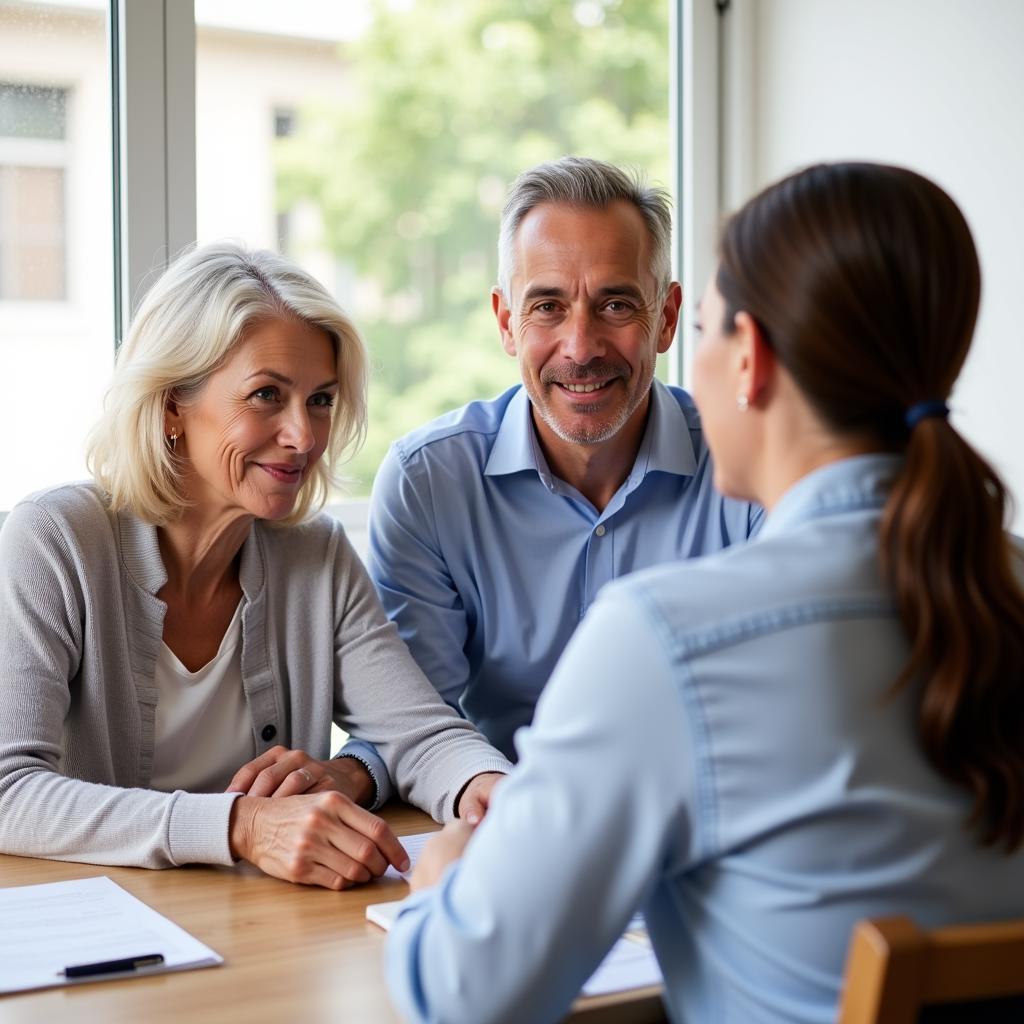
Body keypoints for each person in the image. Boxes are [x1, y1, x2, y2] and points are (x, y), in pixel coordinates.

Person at [384, 162, 1024, 1023]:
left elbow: (461, 997)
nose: (582, 343)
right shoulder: (995, 578)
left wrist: (442, 874)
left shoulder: (667, 639)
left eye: (709, 329)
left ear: (747, 358)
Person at [0, 242, 511, 889]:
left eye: (321, 400)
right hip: (95, 940)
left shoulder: (315, 554)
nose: (303, 435)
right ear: (171, 406)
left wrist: (491, 788)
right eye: (267, 395)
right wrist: (240, 825)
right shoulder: (55, 538)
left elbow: (421, 733)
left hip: (263, 936)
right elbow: (8, 791)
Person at [342, 157, 761, 797]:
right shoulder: (430, 483)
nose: (580, 345)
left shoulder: (752, 467)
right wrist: (353, 773)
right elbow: (414, 718)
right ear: (507, 321)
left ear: (669, 317)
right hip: (501, 822)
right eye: (547, 306)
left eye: (616, 304)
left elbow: (775, 711)